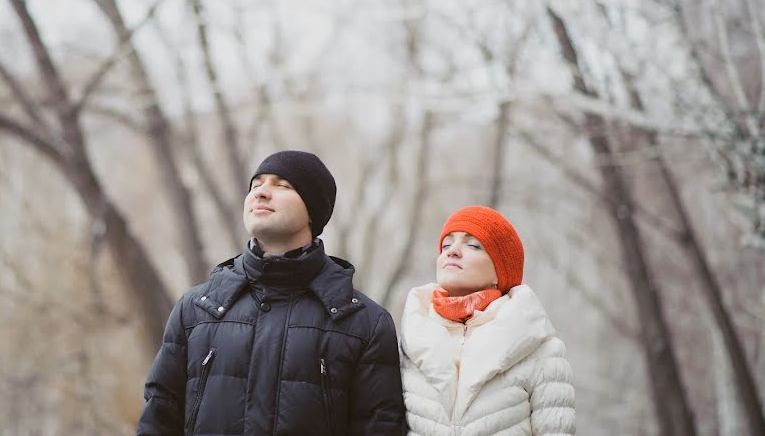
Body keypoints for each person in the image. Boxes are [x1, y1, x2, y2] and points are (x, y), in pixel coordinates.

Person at [137, 150, 407, 436]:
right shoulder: (196, 309)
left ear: (313, 210)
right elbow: (158, 419)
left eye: (282, 185)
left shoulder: (364, 323)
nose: (262, 193)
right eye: (256, 185)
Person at [399, 206, 575, 436]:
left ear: (499, 272)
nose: (452, 252)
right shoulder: (410, 338)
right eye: (446, 245)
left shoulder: (539, 348)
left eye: (473, 245)